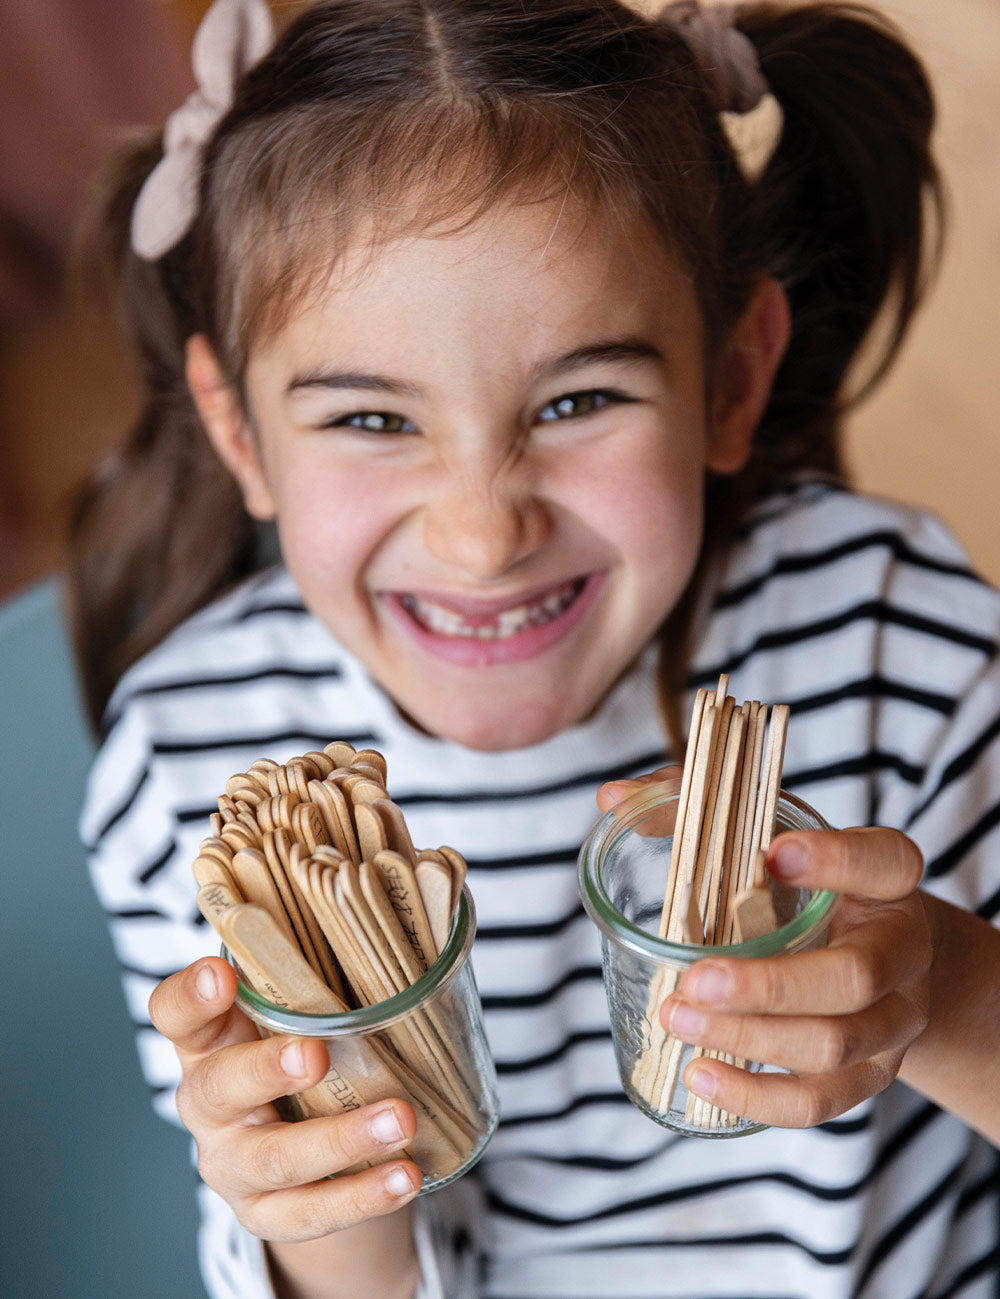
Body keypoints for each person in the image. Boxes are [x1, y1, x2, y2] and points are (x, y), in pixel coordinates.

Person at [70, 1, 1000, 1296]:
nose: (482, 534)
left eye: (577, 400)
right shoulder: (193, 768)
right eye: (372, 419)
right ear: (241, 436)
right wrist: (315, 1195)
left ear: (733, 381)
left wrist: (946, 989)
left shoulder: (913, 644)